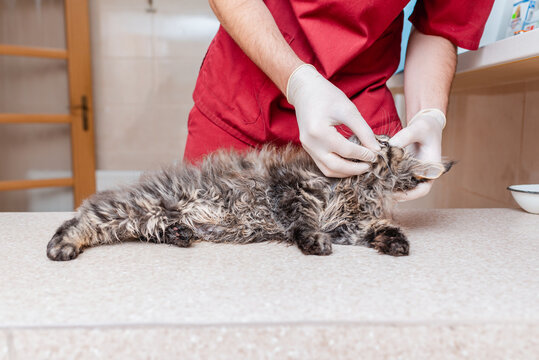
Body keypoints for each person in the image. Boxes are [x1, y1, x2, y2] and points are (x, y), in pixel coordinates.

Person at [184, 0, 494, 200]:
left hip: (358, 124)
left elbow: (441, 25)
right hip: (243, 104)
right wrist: (299, 82)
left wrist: (429, 114)